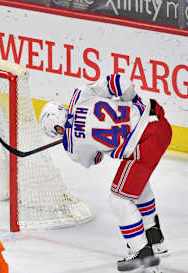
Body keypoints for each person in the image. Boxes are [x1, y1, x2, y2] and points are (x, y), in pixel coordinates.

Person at [39, 73, 171, 272]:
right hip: (158, 121)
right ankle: (156, 239)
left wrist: (85, 140)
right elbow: (120, 82)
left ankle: (142, 252)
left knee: (118, 199)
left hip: (143, 145)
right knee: (136, 186)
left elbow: (96, 159)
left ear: (57, 127)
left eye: (56, 131)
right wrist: (130, 102)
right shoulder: (80, 95)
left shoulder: (72, 147)